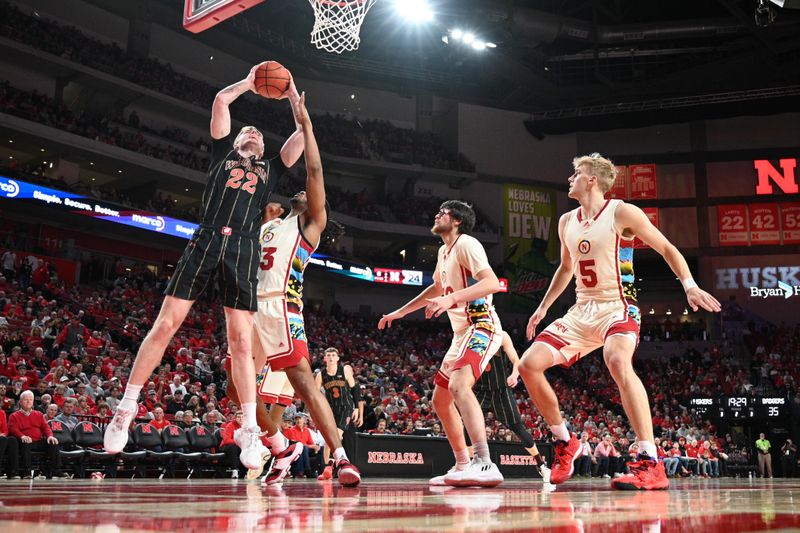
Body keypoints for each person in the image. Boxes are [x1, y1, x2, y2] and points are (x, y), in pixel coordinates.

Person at [103, 63, 306, 471]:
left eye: (257, 134)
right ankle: (125, 408)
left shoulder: (271, 170)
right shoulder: (221, 153)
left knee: (242, 344)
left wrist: (292, 98)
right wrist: (249, 84)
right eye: (246, 131)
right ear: (234, 140)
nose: (251, 132)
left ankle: (251, 428)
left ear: (264, 149)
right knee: (164, 325)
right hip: (207, 236)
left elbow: (302, 136)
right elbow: (220, 100)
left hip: (244, 248)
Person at [517, 153, 721, 490]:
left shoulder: (621, 212)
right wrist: (543, 308)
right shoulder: (566, 221)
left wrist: (690, 285)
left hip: (618, 305)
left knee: (616, 359)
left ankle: (651, 460)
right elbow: (566, 268)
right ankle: (566, 441)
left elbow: (667, 248)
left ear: (592, 179)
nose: (570, 178)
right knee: (528, 365)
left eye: (576, 173)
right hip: (582, 311)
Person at [252, 93, 361, 487]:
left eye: (305, 194)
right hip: (249, 309)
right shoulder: (269, 226)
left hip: (283, 309)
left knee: (305, 387)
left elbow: (313, 171)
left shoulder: (309, 224)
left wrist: (306, 127)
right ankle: (281, 447)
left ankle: (342, 457)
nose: (299, 190)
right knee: (235, 389)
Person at [379, 200, 504, 488]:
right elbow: (436, 288)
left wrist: (450, 299)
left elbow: (492, 283)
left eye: (444, 211)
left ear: (458, 220)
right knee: (440, 399)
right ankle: (462, 464)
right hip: (462, 332)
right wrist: (400, 312)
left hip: (481, 324)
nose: (437, 214)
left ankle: (485, 461)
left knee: (460, 387)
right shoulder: (443, 251)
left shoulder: (466, 243)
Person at [472, 331, 550, 483]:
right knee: (469, 427)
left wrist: (514, 375)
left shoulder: (501, 335)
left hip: (501, 390)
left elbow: (516, 361)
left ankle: (541, 465)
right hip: (480, 390)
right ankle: (468, 465)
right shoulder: (472, 335)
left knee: (518, 427)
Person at [315, 347, 363, 481]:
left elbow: (355, 390)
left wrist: (358, 410)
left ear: (337, 358)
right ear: (324, 358)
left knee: (336, 435)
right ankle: (327, 468)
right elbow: (314, 395)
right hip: (330, 409)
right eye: (328, 355)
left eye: (333, 355)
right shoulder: (320, 375)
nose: (330, 357)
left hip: (345, 407)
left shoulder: (345, 370)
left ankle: (337, 465)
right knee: (327, 439)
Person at [7, 390, 66, 479]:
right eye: (26, 400)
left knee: (53, 442)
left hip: (38, 440)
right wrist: (22, 436)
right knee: (25, 442)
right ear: (20, 401)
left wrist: (50, 436)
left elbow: (46, 427)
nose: (28, 402)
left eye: (30, 400)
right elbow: (12, 429)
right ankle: (27, 471)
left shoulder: (38, 414)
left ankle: (56, 470)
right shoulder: (14, 415)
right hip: (24, 441)